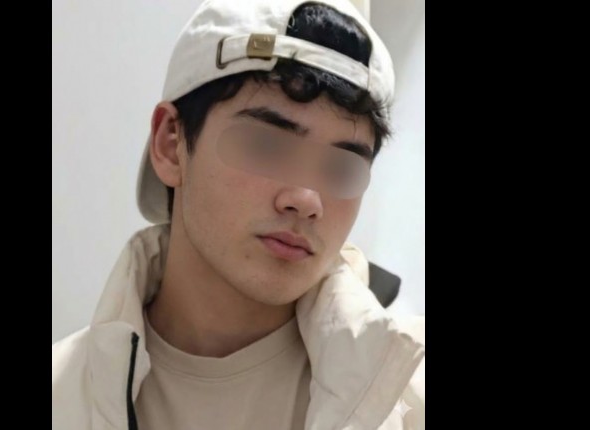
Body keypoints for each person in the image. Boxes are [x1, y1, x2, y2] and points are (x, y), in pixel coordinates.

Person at [52, 0, 425, 428]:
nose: (307, 198)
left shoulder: (407, 398)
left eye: (342, 168)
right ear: (171, 144)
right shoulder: (63, 399)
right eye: (267, 145)